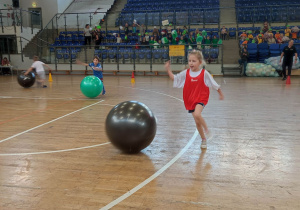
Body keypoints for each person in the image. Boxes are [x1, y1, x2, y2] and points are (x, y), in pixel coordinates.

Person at [165, 50, 224, 149]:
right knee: (197, 122)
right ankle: (203, 139)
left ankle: (207, 131)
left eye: (194, 61)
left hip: (201, 97)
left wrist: (221, 94)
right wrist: (168, 69)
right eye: (189, 61)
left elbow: (214, 84)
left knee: (197, 114)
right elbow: (174, 78)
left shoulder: (204, 73)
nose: (191, 63)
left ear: (200, 62)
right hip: (190, 99)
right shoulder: (186, 73)